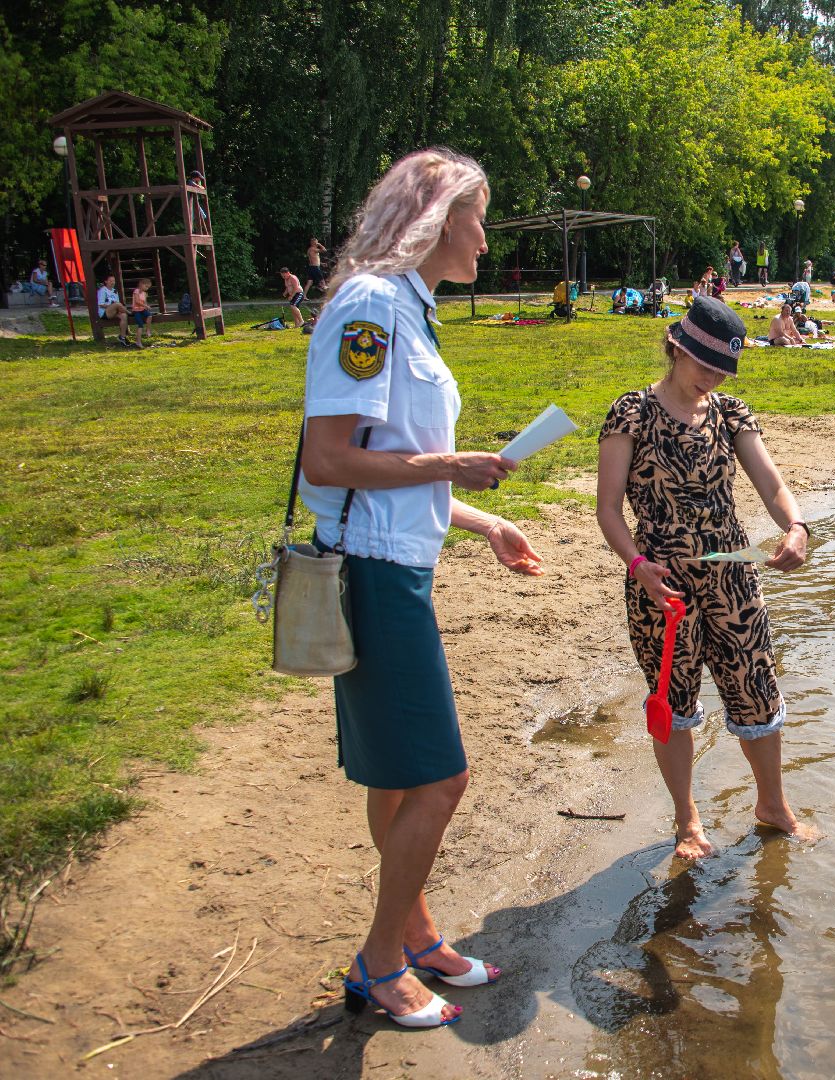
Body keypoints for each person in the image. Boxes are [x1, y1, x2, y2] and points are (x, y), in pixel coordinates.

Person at [300, 147, 542, 1029]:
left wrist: (483, 524)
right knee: (441, 779)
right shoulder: (371, 305)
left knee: (401, 781)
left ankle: (416, 934)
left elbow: (390, 460)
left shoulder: (412, 308)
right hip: (372, 573)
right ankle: (375, 964)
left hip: (397, 563)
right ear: (439, 219)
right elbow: (330, 457)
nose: (486, 237)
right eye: (479, 216)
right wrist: (457, 467)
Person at [596, 294, 814, 860]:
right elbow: (609, 511)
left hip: (733, 577)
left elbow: (770, 484)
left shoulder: (731, 413)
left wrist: (795, 526)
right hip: (660, 585)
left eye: (721, 370)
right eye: (703, 366)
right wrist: (638, 566)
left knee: (756, 688)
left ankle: (773, 806)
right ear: (675, 348)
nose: (711, 379)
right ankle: (687, 819)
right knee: (672, 699)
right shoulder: (631, 413)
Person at [95, 274, 131, 346]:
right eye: (110, 281)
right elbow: (101, 304)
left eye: (113, 281)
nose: (113, 282)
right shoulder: (102, 291)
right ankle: (130, 313)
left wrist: (117, 308)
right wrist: (113, 306)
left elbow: (117, 303)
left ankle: (122, 337)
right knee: (118, 304)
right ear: (106, 281)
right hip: (105, 313)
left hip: (114, 311)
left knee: (123, 316)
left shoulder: (115, 291)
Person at [129, 277, 153, 348]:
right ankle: (138, 342)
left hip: (142, 310)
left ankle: (148, 330)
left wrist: (146, 306)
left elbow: (145, 302)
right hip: (136, 310)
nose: (147, 288)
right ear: (141, 284)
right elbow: (137, 301)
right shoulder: (136, 291)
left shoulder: (145, 293)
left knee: (149, 316)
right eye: (146, 286)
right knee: (140, 325)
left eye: (148, 287)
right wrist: (145, 305)